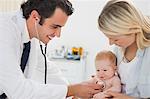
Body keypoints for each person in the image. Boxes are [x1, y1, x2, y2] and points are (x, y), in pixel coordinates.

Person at [0, 0, 102, 99]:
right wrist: (72, 90)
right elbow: (18, 90)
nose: (58, 34)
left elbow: (49, 71)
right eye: (54, 26)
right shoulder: (4, 30)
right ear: (35, 17)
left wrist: (76, 92)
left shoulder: (32, 37)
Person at [98, 0, 150, 98]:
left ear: (132, 28)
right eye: (109, 38)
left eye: (115, 38)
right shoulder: (119, 49)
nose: (110, 43)